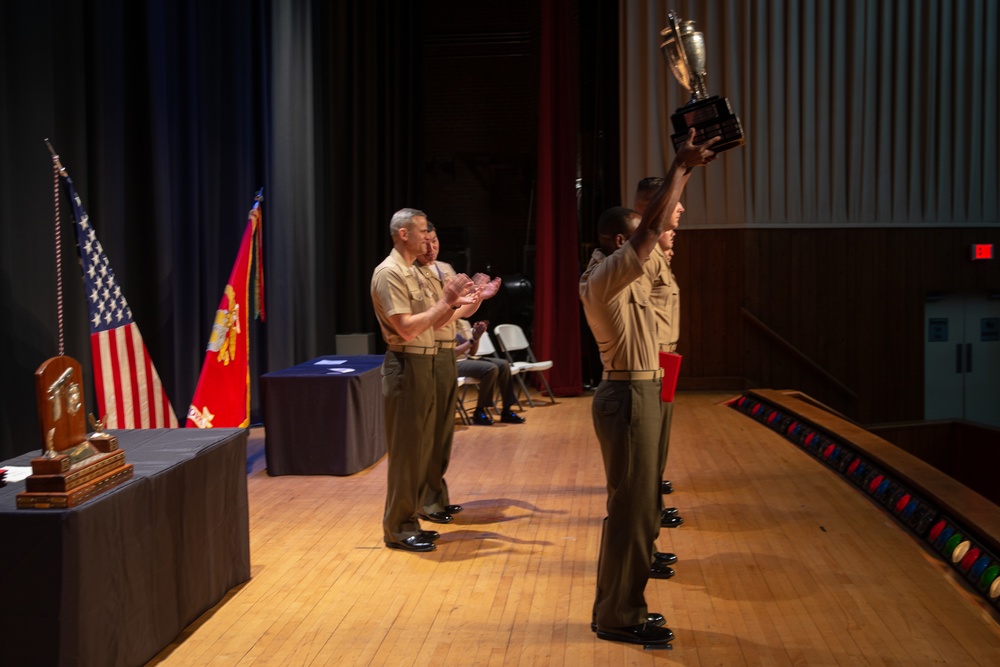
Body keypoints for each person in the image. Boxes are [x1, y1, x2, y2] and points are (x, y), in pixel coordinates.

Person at [579, 129, 717, 645]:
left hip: (645, 388)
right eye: (643, 237)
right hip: (629, 395)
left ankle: (618, 608)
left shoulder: (620, 272)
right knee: (631, 515)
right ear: (620, 241)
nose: (657, 242)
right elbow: (651, 227)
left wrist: (682, 174)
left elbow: (657, 229)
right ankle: (618, 615)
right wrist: (680, 166)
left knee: (635, 513)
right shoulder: (604, 275)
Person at [371, 208, 475, 552]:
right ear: (403, 234)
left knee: (420, 449)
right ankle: (398, 527)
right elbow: (405, 326)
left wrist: (458, 303)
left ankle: (410, 518)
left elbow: (437, 321)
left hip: (425, 362)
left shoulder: (413, 272)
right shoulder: (390, 273)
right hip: (406, 365)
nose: (426, 236)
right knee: (406, 453)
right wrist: (446, 302)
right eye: (420, 231)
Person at [414, 225, 499, 525]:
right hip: (429, 354)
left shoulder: (446, 269)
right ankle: (425, 501)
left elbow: (458, 313)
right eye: (424, 242)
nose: (430, 248)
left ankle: (438, 497)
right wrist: (457, 301)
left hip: (449, 353)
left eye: (434, 241)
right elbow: (434, 320)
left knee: (443, 435)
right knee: (429, 435)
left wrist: (477, 298)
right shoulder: (412, 273)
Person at [635, 176, 685, 536]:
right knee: (648, 445)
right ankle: (649, 509)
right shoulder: (645, 255)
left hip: (665, 356)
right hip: (652, 358)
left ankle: (654, 503)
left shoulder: (659, 252)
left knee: (660, 441)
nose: (681, 208)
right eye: (676, 200)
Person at [454, 318, 525, 425]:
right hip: (454, 362)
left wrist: (477, 337)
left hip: (467, 359)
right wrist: (472, 340)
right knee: (490, 368)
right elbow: (453, 353)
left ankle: (507, 410)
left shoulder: (464, 323)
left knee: (504, 364)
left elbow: (472, 352)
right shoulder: (445, 324)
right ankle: (479, 411)